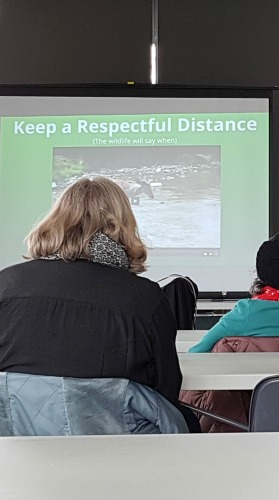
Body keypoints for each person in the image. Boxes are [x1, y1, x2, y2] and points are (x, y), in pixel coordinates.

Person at [0, 177, 196, 432]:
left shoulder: (5, 284)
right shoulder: (145, 297)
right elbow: (167, 388)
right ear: (124, 225)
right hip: (123, 453)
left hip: (17, 451)